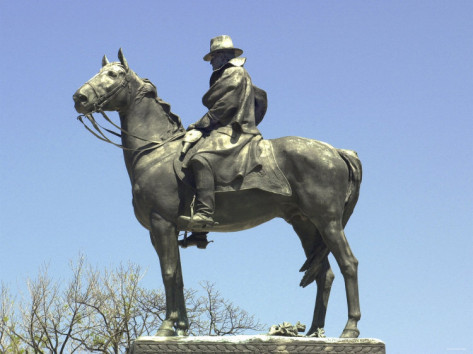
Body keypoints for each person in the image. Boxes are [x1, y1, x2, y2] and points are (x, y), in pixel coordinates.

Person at [179, 35, 267, 230]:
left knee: (201, 158)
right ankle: (198, 229)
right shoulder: (225, 74)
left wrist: (199, 126)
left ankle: (204, 213)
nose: (211, 63)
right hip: (223, 127)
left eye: (213, 58)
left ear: (222, 55)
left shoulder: (234, 73)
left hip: (235, 129)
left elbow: (225, 106)